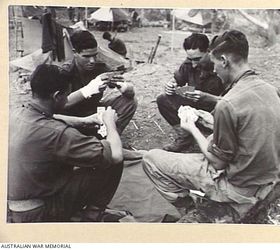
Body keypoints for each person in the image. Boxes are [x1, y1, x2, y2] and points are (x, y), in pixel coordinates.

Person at [143, 30, 280, 220]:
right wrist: (211, 121)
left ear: (224, 61)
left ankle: (193, 210)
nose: (215, 71)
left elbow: (218, 161)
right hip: (267, 178)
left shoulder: (227, 103)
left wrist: (192, 129)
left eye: (215, 64)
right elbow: (249, 128)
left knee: (151, 159)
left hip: (239, 187)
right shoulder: (269, 89)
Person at [7, 64, 130, 222]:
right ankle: (92, 215)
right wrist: (110, 123)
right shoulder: (59, 134)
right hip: (39, 212)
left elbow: (47, 118)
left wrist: (83, 121)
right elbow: (116, 155)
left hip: (15, 202)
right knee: (109, 160)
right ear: (57, 96)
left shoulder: (16, 112)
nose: (67, 99)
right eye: (66, 95)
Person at [157, 33, 224, 152]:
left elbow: (232, 102)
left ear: (208, 51)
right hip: (195, 105)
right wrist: (170, 86)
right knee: (163, 99)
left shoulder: (221, 66)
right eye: (190, 59)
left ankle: (215, 139)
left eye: (197, 59)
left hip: (216, 110)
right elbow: (177, 80)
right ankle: (185, 138)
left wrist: (207, 97)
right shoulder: (189, 63)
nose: (193, 64)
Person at [61, 30, 136, 135]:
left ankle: (109, 137)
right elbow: (60, 105)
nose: (92, 61)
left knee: (129, 102)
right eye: (86, 56)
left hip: (93, 111)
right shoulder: (65, 71)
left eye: (95, 55)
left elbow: (130, 93)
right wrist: (90, 89)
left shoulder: (100, 68)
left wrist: (124, 87)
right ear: (75, 53)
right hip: (72, 118)